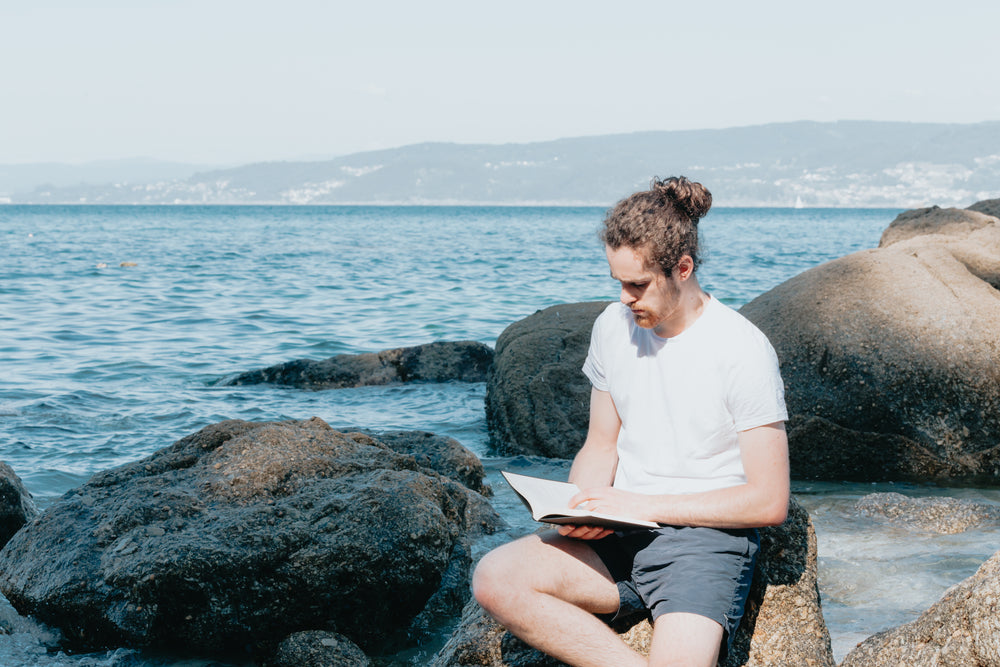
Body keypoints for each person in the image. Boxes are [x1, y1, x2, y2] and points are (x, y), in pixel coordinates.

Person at [472, 176, 790, 667]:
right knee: (494, 578)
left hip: (703, 544)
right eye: (618, 282)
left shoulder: (742, 350)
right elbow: (601, 445)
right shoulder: (611, 327)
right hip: (618, 535)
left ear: (681, 268)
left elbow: (769, 501)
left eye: (637, 284)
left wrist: (639, 501)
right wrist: (580, 510)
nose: (624, 297)